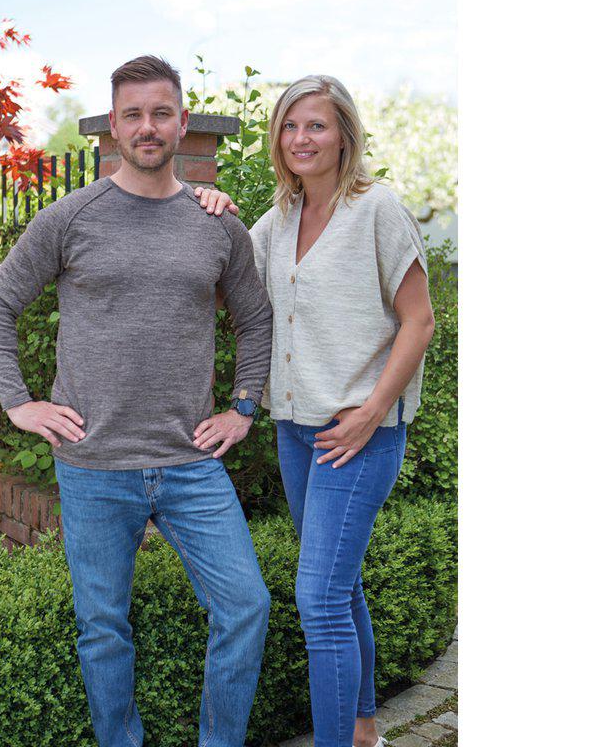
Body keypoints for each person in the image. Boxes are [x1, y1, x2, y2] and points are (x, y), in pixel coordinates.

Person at [0, 55, 273, 747]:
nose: (147, 127)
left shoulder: (216, 224)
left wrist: (243, 407)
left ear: (182, 122)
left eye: (161, 113)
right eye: (133, 114)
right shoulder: (69, 217)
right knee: (102, 626)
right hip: (94, 463)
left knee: (246, 605)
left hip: (190, 461)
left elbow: (255, 320)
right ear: (113, 125)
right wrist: (19, 404)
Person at [193, 75, 435, 747]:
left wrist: (373, 411)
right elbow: (225, 287)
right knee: (339, 587)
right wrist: (213, 210)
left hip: (358, 435)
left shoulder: (377, 209)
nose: (301, 139)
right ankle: (363, 729)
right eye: (290, 126)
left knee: (319, 599)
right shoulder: (277, 220)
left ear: (344, 135)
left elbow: (418, 321)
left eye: (316, 125)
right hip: (296, 432)